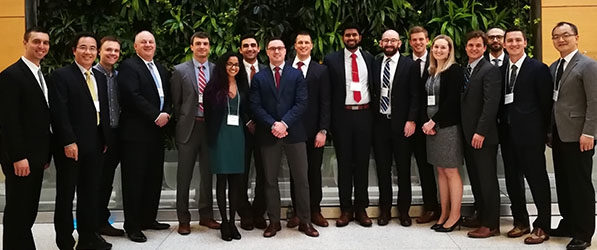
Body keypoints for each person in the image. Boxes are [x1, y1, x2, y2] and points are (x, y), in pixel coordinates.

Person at [249, 37, 319, 238]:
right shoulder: (259, 77)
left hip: (294, 133)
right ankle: (274, 222)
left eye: (280, 48)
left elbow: (301, 103)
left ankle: (305, 222)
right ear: (267, 52)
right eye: (272, 49)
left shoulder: (296, 75)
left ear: (285, 51)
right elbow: (255, 106)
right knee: (270, 180)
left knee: (301, 180)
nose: (277, 52)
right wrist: (273, 124)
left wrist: (284, 123)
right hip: (268, 134)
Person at [49, 32, 112, 250]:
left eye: (92, 48)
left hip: (95, 143)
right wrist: (68, 141)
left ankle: (88, 237)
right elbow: (59, 112)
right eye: (83, 47)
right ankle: (65, 241)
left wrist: (104, 138)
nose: (88, 52)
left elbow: (101, 110)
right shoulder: (61, 76)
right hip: (71, 145)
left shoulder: (100, 77)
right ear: (74, 50)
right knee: (66, 195)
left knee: (90, 192)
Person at [499, 27, 552, 244]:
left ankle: (543, 225)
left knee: (537, 180)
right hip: (507, 134)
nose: (513, 44)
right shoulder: (501, 69)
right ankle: (521, 221)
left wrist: (545, 133)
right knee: (513, 181)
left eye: (517, 40)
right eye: (509, 41)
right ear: (504, 44)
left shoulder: (538, 68)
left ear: (524, 43)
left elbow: (546, 104)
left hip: (531, 136)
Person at [117, 30, 172, 243]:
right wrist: (155, 115)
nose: (148, 45)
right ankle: (132, 225)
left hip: (157, 131)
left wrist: (167, 112)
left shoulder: (159, 68)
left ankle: (149, 218)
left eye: (151, 41)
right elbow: (132, 95)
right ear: (135, 46)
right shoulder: (129, 66)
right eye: (143, 42)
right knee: (134, 179)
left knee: (153, 177)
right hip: (136, 132)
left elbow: (167, 94)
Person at [0, 27, 51, 250]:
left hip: (37, 156)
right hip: (21, 158)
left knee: (29, 207)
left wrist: (46, 154)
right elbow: (8, 122)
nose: (41, 46)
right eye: (36, 42)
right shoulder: (11, 75)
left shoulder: (41, 75)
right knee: (17, 209)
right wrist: (18, 156)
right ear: (25, 43)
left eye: (45, 43)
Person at [549, 21, 597, 250]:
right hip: (560, 134)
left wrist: (589, 132)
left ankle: (584, 233)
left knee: (580, 184)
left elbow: (594, 102)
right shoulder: (554, 66)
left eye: (566, 35)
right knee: (564, 182)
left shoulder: (587, 65)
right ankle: (568, 222)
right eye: (556, 36)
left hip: (580, 136)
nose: (561, 39)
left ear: (576, 37)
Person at [323, 23, 374, 227]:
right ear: (343, 37)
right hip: (342, 117)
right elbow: (327, 92)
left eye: (354, 34)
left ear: (359, 38)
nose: (351, 38)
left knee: (362, 163)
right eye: (347, 35)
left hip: (365, 115)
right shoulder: (331, 60)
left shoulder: (370, 59)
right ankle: (345, 210)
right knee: (343, 164)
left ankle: (361, 209)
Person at [170, 31, 219, 236]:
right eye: (198, 43)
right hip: (189, 128)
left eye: (205, 44)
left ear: (209, 47)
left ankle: (206, 215)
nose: (202, 47)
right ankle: (183, 219)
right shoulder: (180, 71)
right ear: (191, 47)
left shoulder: (217, 71)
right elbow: (176, 102)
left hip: (209, 128)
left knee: (208, 175)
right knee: (184, 176)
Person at [371, 29, 419, 227]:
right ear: (381, 43)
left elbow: (416, 95)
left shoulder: (410, 65)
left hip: (402, 125)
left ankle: (404, 211)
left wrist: (411, 120)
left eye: (393, 40)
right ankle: (384, 211)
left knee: (403, 169)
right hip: (380, 123)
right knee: (383, 169)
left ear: (400, 43)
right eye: (385, 40)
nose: (389, 43)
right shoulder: (375, 63)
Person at [285, 31, 331, 228]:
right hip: (292, 130)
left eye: (306, 42)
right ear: (294, 46)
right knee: (296, 172)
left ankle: (315, 210)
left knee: (314, 171)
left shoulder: (321, 70)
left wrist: (323, 130)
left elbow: (326, 102)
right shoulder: (286, 68)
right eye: (300, 42)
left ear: (312, 45)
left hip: (314, 131)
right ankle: (298, 211)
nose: (303, 45)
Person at [421, 35, 464, 233]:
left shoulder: (453, 70)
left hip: (446, 127)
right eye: (436, 47)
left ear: (449, 50)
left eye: (443, 47)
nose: (439, 50)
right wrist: (426, 122)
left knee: (451, 171)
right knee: (440, 170)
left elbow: (452, 101)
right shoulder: (430, 71)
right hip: (431, 129)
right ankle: (443, 213)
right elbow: (423, 99)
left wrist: (433, 121)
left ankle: (455, 215)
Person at [460, 30, 501, 238]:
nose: (474, 48)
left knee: (487, 180)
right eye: (470, 45)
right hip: (468, 135)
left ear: (485, 48)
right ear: (466, 47)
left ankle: (491, 224)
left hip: (482, 136)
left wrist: (480, 132)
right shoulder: (466, 68)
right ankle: (481, 214)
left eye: (478, 45)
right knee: (476, 179)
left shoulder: (489, 70)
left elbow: (491, 104)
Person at [204, 52, 249, 241]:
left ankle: (232, 221)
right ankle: (224, 223)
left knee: (236, 181)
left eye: (237, 64)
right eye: (230, 64)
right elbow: (208, 114)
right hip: (220, 135)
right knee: (222, 180)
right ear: (223, 66)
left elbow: (247, 110)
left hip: (238, 135)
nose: (233, 67)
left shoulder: (243, 85)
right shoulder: (213, 87)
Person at [407, 26, 440, 224]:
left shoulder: (437, 59)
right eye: (414, 40)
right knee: (419, 166)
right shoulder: (403, 62)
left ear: (427, 40)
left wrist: (434, 120)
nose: (418, 43)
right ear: (410, 42)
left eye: (421, 39)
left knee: (435, 167)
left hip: (432, 122)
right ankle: (427, 207)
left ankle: (437, 206)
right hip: (410, 123)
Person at [94, 35, 125, 237]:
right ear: (99, 52)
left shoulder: (118, 75)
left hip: (116, 135)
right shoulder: (92, 75)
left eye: (115, 51)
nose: (112, 53)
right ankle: (91, 224)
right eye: (108, 50)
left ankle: (101, 221)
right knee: (94, 182)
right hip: (97, 136)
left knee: (106, 181)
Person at [237, 33, 268, 230]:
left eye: (253, 45)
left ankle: (259, 212)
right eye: (245, 46)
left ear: (258, 49)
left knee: (264, 172)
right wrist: (247, 120)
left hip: (264, 129)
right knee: (241, 173)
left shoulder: (266, 70)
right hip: (240, 129)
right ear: (240, 50)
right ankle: (245, 213)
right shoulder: (233, 69)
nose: (250, 48)